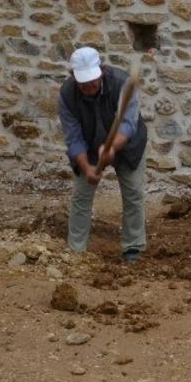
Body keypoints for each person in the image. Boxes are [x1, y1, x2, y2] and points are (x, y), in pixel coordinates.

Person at [58, 47, 148, 262]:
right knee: (81, 196)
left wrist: (111, 148)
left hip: (128, 145)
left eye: (92, 80)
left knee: (134, 193)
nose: (89, 86)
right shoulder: (66, 94)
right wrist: (88, 167)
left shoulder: (122, 83)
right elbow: (73, 137)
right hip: (88, 146)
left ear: (101, 70)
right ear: (74, 77)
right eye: (83, 82)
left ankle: (133, 248)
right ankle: (76, 251)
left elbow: (127, 124)